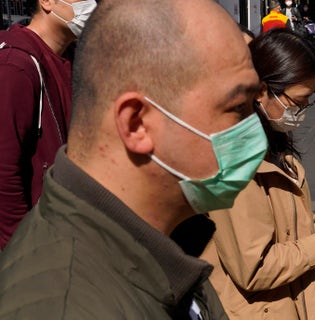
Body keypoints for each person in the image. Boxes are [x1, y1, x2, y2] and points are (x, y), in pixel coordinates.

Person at [0, 0, 266, 318]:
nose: (254, 136)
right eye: (237, 107)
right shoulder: (66, 305)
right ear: (136, 123)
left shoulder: (155, 248)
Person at [201, 28, 315, 320]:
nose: (302, 112)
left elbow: (300, 225)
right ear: (262, 90)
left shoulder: (276, 148)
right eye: (297, 102)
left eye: (308, 101)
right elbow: (255, 269)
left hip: (293, 301)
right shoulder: (231, 163)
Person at [0, 0, 97, 249]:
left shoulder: (72, 59)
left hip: (67, 230)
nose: (92, 3)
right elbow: (4, 173)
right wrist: (24, 247)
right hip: (35, 245)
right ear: (47, 2)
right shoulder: (16, 66)